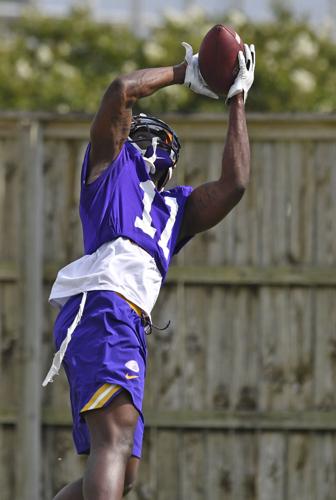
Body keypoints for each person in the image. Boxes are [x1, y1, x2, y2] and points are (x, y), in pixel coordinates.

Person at [43, 40, 255, 500]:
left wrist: (237, 99)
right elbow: (122, 90)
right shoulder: (108, 169)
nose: (159, 147)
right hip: (104, 305)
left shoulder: (171, 210)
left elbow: (234, 184)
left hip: (125, 320)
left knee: (126, 468)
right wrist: (184, 73)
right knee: (114, 441)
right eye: (151, 138)